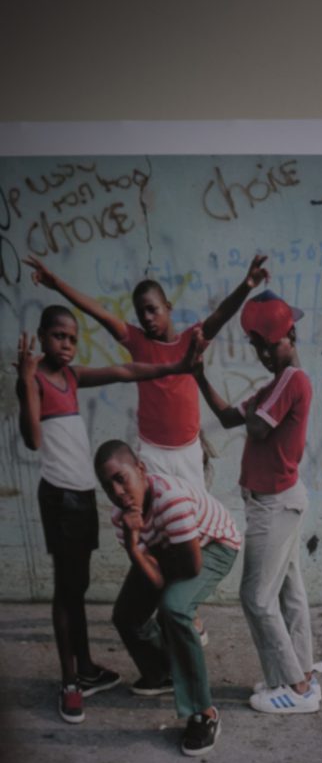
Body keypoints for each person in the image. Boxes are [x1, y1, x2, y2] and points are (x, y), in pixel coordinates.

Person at [15, 310, 204, 723]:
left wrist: (177, 365)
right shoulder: (37, 380)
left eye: (71, 338)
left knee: (77, 584)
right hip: (60, 499)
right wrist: (27, 381)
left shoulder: (71, 377)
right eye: (57, 336)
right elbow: (32, 439)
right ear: (43, 338)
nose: (65, 344)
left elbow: (124, 369)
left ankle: (85, 669)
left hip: (81, 499)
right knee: (67, 591)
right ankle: (69, 683)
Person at [29, 251, 268, 494]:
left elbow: (221, 314)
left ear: (168, 307)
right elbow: (99, 312)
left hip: (189, 450)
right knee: (157, 519)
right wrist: (56, 284)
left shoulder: (191, 340)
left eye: (152, 309)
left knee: (192, 519)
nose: (146, 318)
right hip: (153, 452)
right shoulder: (137, 341)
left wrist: (247, 285)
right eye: (141, 313)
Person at [196, 292, 322, 713]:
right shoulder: (276, 385)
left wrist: (258, 405)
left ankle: (296, 686)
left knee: (255, 597)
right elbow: (232, 418)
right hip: (277, 503)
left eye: (270, 344)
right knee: (288, 593)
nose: (265, 353)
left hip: (275, 505)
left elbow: (258, 426)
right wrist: (197, 374)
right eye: (258, 346)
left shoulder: (291, 381)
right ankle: (299, 676)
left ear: (291, 335)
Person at [95, 441, 242, 756]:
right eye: (108, 486)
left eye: (122, 478)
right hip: (170, 548)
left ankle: (204, 712)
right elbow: (156, 577)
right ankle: (163, 671)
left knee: (175, 609)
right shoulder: (121, 518)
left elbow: (190, 566)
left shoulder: (170, 499)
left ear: (142, 470)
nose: (118, 491)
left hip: (212, 544)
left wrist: (147, 557)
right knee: (127, 614)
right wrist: (135, 547)